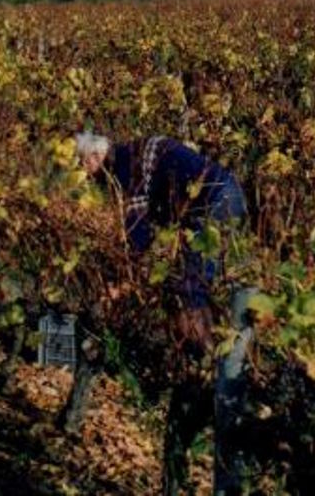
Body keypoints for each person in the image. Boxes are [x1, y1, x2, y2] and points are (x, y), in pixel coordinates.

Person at [76, 132, 250, 495]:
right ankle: (205, 356)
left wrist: (123, 283)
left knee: (189, 288)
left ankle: (203, 363)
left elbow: (137, 229)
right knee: (187, 284)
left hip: (216, 201)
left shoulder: (125, 164)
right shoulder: (134, 152)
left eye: (83, 164)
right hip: (225, 196)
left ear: (96, 156)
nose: (86, 174)